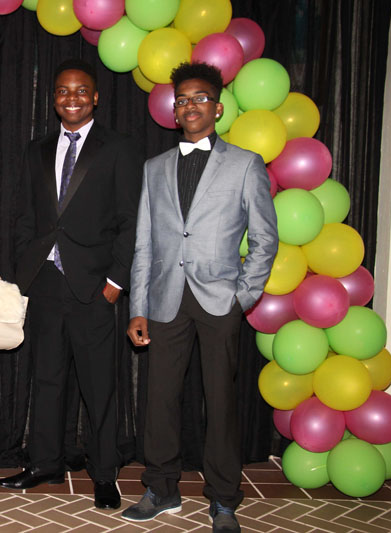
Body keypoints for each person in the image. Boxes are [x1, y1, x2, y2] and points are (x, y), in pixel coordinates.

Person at [121, 62, 278, 533]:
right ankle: (161, 488)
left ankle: (224, 500)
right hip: (165, 299)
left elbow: (265, 239)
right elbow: (145, 243)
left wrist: (243, 297)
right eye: (183, 100)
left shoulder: (245, 164)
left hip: (219, 300)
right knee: (159, 400)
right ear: (174, 111)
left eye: (200, 98)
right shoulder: (154, 168)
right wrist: (138, 307)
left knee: (221, 403)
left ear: (218, 108)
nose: (191, 106)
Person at [0, 59, 143, 510]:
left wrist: (116, 281)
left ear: (95, 97)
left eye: (81, 91)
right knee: (46, 379)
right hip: (44, 282)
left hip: (95, 286)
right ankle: (45, 463)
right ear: (54, 98)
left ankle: (104, 473)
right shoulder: (36, 149)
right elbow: (24, 214)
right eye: (63, 91)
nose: (72, 98)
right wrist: (25, 271)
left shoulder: (118, 148)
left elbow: (131, 219)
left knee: (98, 386)